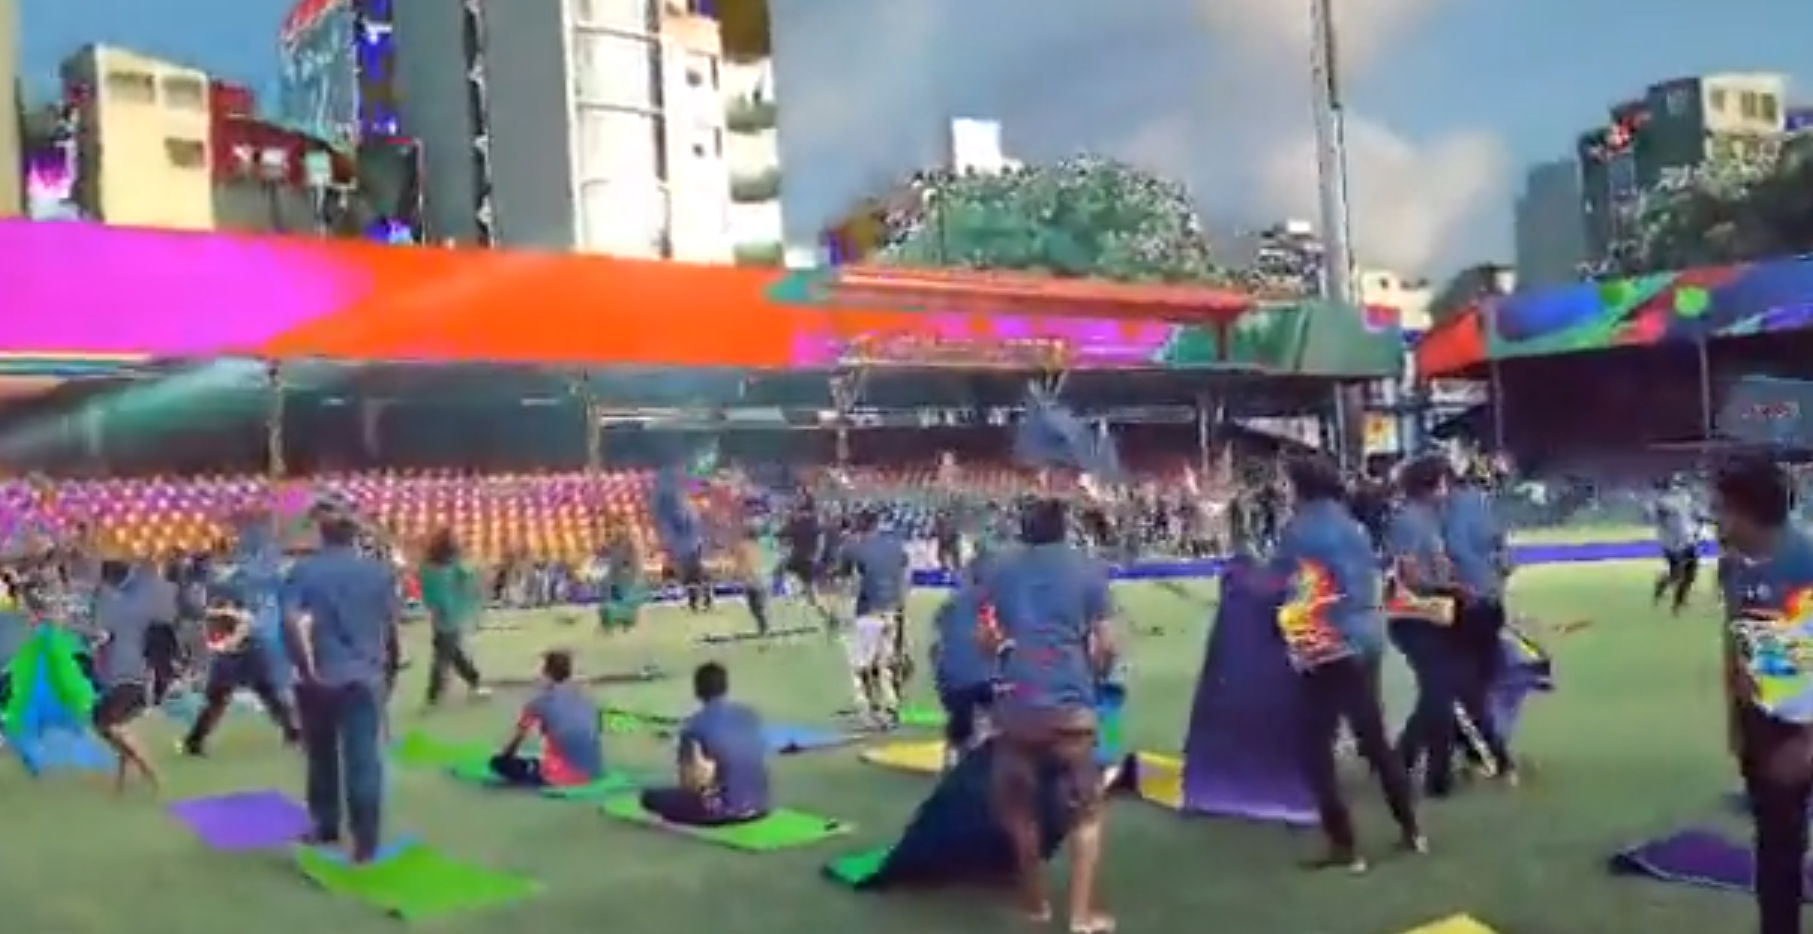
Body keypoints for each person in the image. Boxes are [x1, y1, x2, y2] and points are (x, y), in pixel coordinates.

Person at [1272, 455, 1423, 871]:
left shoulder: (1298, 532)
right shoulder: (1353, 527)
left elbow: (1286, 585)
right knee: (1374, 739)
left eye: (1285, 483)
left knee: (1314, 748)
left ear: (1299, 487)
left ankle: (1345, 845)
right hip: (1365, 637)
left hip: (1326, 645)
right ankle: (1411, 829)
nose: (1282, 491)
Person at [978, 497, 1116, 932]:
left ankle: (1035, 904)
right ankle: (1081, 916)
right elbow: (1106, 645)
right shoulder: (1087, 570)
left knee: (1019, 812)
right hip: (1070, 705)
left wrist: (1007, 655)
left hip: (1018, 703)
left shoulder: (1000, 572)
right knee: (1087, 814)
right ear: (1063, 527)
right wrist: (1095, 676)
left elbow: (985, 639)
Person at [1717, 456, 1813, 934]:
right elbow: (1734, 639)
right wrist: (1737, 720)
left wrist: (1808, 743)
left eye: (1722, 509)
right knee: (1777, 850)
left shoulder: (1805, 566)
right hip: (1764, 728)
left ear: (1746, 511)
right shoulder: (1732, 567)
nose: (1716, 519)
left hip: (1804, 728)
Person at [283, 510, 402, 863]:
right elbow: (390, 627)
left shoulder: (303, 571)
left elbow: (291, 622)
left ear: (322, 534)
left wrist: (305, 668)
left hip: (320, 676)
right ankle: (366, 841)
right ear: (355, 536)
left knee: (321, 756)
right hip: (365, 676)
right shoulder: (379, 573)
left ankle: (325, 825)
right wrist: (389, 673)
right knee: (363, 760)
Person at [1386, 455, 1465, 795]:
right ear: (1431, 485)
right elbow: (1409, 574)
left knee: (1438, 691)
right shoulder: (1409, 521)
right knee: (1438, 693)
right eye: (1444, 482)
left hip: (1429, 614)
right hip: (1414, 617)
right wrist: (1446, 586)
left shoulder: (1427, 520)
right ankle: (1436, 776)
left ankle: (1404, 760)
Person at [1442, 462, 1518, 783]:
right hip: (1489, 604)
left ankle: (1484, 751)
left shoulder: (1443, 513)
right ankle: (1474, 746)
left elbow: (1450, 557)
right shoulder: (1482, 503)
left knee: (1457, 685)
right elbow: (1504, 555)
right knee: (1479, 683)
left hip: (1462, 605)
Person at [640, 662, 770, 825]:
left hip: (721, 811)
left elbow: (690, 783)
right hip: (759, 804)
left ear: (697, 690)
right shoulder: (750, 716)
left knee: (649, 797)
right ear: (725, 687)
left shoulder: (694, 726)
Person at [178, 603, 302, 755]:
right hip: (229, 658)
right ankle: (194, 741)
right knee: (216, 701)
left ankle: (293, 733)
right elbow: (217, 636)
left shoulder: (241, 615)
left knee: (271, 695)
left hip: (251, 654)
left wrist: (233, 638)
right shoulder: (213, 618)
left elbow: (245, 623)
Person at [91, 559, 160, 792]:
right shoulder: (129, 602)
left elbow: (102, 636)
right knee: (110, 726)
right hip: (133, 675)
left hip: (126, 677)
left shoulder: (111, 603)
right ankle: (122, 783)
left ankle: (152, 775)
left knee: (109, 725)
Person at [490, 649, 603, 787]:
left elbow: (516, 742)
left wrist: (504, 757)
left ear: (546, 673)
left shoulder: (537, 704)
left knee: (498, 763)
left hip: (562, 777)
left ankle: (548, 772)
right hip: (594, 772)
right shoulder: (586, 698)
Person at [840, 510, 910, 728]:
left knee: (861, 666)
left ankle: (869, 712)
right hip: (893, 610)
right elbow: (905, 571)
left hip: (868, 611)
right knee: (885, 664)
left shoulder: (854, 546)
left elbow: (845, 578)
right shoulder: (894, 545)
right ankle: (891, 707)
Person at [931, 554, 1002, 769]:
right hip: (990, 682)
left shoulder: (952, 603)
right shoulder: (1002, 601)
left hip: (954, 683)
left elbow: (939, 641)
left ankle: (956, 755)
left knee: (959, 730)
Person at [417, 528, 488, 707]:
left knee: (451, 652)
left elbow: (466, 578)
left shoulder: (430, 566)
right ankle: (434, 692)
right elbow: (468, 580)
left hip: (441, 615)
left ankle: (473, 681)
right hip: (448, 615)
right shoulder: (448, 566)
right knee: (444, 655)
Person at [1651, 477, 1702, 615]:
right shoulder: (1663, 502)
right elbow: (1661, 516)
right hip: (1672, 543)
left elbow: (1692, 515)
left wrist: (1695, 529)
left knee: (1690, 574)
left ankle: (1679, 602)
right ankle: (1664, 590)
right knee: (1677, 574)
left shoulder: (1684, 498)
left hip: (1687, 541)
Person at [731, 527, 772, 638]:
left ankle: (764, 628)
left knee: (755, 607)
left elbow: (739, 561)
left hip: (753, 580)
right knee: (759, 606)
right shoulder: (760, 546)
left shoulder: (743, 546)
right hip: (761, 579)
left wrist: (736, 574)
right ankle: (763, 627)